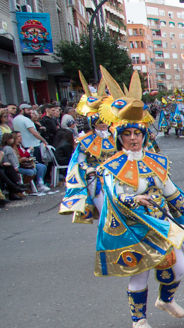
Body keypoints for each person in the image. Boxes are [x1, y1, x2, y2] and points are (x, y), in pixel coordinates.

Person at [91, 66, 184, 328]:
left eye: (138, 133)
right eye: (128, 134)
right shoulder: (112, 165)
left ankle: (166, 299)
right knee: (139, 273)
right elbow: (114, 195)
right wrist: (133, 197)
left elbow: (170, 189)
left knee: (178, 264)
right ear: (120, 137)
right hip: (133, 226)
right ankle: (138, 321)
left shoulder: (155, 161)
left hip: (161, 221)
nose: (134, 138)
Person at [60, 72, 117, 223]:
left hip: (116, 177)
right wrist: (89, 170)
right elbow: (80, 161)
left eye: (105, 121)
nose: (103, 124)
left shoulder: (115, 136)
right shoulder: (85, 141)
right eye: (99, 122)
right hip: (97, 180)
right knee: (105, 214)